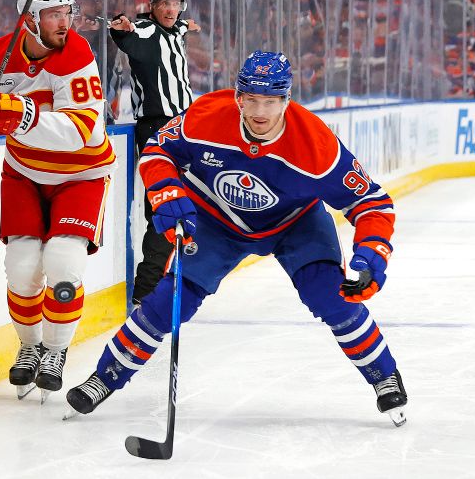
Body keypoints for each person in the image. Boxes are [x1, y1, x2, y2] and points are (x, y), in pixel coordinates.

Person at [66, 51, 408, 426]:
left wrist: (371, 254)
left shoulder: (317, 147)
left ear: (286, 100)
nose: (260, 112)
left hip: (295, 223)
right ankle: (105, 376)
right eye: (252, 100)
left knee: (331, 297)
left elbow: (372, 203)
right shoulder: (206, 118)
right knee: (168, 302)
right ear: (238, 96)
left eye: (271, 102)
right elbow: (157, 151)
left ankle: (384, 375)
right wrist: (167, 193)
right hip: (216, 219)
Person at [0, 0, 117, 400]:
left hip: (81, 175)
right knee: (21, 268)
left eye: (67, 12)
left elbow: (85, 130)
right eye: (53, 14)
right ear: (28, 19)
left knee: (63, 261)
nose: (64, 22)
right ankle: (29, 346)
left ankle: (56, 350)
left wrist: (21, 115)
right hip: (24, 173)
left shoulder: (76, 51)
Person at [108, 0, 201, 306]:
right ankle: (147, 292)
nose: (171, 10)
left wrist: (188, 24)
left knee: (191, 200)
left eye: (175, 3)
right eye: (164, 3)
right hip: (156, 130)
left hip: (184, 127)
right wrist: (121, 29)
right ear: (153, 5)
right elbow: (131, 35)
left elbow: (180, 26)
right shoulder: (145, 31)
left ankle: (170, 276)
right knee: (164, 207)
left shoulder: (175, 28)